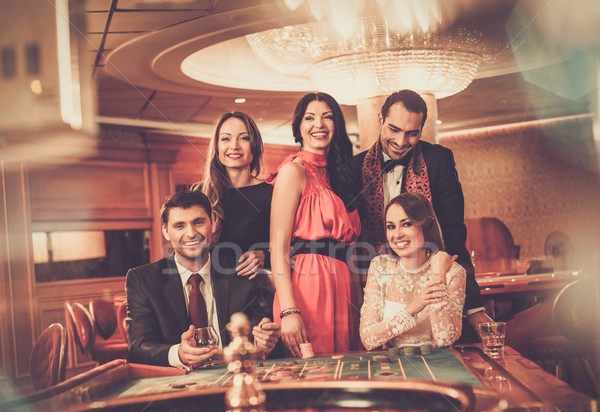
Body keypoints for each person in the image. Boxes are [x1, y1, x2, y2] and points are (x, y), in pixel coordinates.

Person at [351, 89, 491, 336]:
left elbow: (454, 234)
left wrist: (474, 307)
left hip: (431, 284)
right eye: (394, 129)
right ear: (380, 120)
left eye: (411, 133)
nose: (401, 141)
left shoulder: (439, 160)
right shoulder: (355, 167)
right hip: (376, 290)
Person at [125, 190, 280, 368]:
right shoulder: (142, 279)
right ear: (166, 232)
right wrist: (179, 354)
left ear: (212, 223)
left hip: (233, 374)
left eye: (198, 222)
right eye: (179, 226)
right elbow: (138, 347)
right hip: (177, 383)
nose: (191, 233)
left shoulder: (240, 270)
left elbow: (257, 324)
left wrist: (261, 342)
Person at [268, 92, 361, 357]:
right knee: (316, 375)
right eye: (310, 118)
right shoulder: (292, 171)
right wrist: (289, 310)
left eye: (327, 117)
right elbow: (277, 249)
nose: (318, 124)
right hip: (307, 286)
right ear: (299, 127)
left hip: (343, 281)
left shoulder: (340, 173)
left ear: (337, 125)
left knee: (346, 372)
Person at [360, 192, 466, 349]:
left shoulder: (453, 272)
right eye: (391, 227)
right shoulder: (380, 267)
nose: (397, 235)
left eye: (407, 224)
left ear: (426, 226)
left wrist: (438, 277)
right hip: (394, 366)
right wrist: (415, 306)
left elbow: (445, 338)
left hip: (440, 367)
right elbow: (368, 339)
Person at [192, 111, 272, 279]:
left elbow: (291, 246)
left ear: (255, 145)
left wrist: (265, 256)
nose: (234, 146)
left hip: (251, 291)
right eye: (226, 139)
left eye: (243, 138)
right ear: (217, 146)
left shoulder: (270, 194)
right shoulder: (200, 193)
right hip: (207, 286)